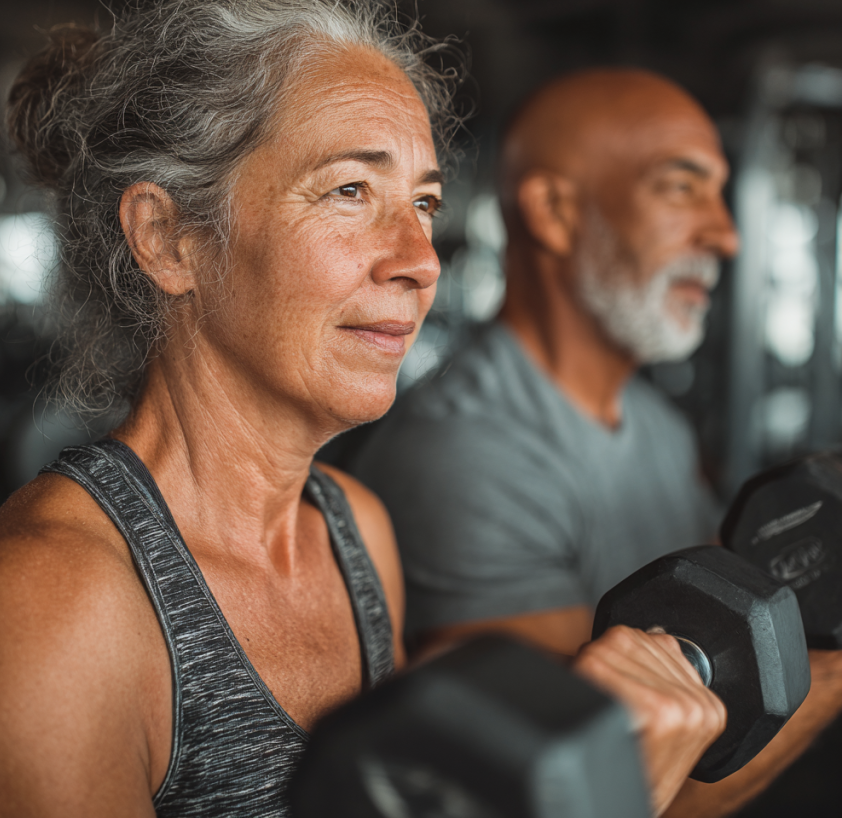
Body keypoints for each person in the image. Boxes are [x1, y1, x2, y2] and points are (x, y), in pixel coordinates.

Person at [0, 0, 725, 818]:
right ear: (169, 238)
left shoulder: (353, 530)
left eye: (425, 202)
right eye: (350, 191)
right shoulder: (48, 602)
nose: (420, 258)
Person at [353, 69, 842, 815]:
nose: (724, 232)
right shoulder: (467, 453)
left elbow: (742, 613)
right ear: (553, 211)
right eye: (681, 188)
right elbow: (607, 781)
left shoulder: (653, 422)